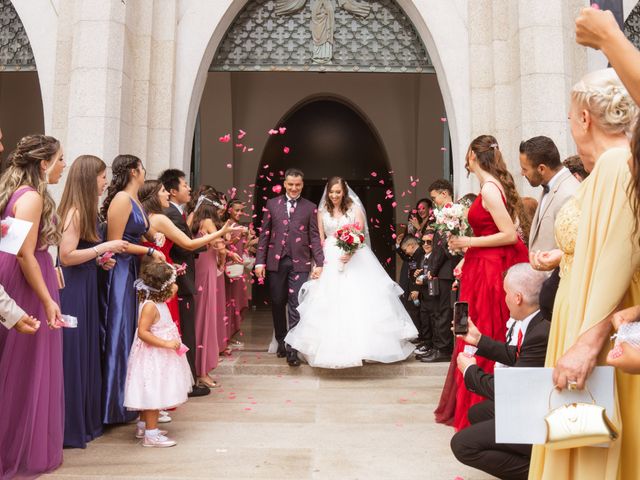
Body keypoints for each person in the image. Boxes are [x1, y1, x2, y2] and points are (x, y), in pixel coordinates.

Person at [528, 68, 639, 480]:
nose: (571, 128)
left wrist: (586, 343)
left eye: (570, 118)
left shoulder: (615, 164)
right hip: (581, 319)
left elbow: (620, 256)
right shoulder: (604, 172)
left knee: (593, 440)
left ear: (585, 119)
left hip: (599, 330)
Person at [434, 135, 529, 431]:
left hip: (489, 272)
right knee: (473, 326)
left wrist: (467, 241)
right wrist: (467, 257)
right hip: (481, 266)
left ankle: (479, 404)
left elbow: (509, 234)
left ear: (473, 155)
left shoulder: (488, 189)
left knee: (481, 327)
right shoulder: (489, 186)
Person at [285, 176, 417, 368]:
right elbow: (319, 240)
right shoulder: (321, 212)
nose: (334, 195)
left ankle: (365, 347)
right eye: (331, 192)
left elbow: (360, 235)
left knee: (358, 298)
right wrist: (317, 264)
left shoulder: (354, 209)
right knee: (328, 300)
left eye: (338, 192)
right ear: (327, 193)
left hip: (355, 258)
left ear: (344, 192)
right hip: (330, 258)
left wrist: (351, 251)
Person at [0, 134, 66, 478]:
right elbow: (24, 253)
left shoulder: (19, 194)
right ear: (44, 164)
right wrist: (45, 299)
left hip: (23, 274)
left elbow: (12, 246)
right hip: (26, 283)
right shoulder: (31, 198)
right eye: (60, 159)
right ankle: (16, 448)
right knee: (25, 367)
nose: (63, 166)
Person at [450, 263, 550, 480]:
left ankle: (541, 473)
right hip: (537, 401)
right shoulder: (540, 320)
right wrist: (478, 340)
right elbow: (519, 355)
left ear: (517, 297)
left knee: (462, 445)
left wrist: (470, 371)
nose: (503, 299)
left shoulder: (540, 331)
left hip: (543, 416)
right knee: (478, 413)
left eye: (506, 293)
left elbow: (510, 390)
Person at [57, 155, 128, 448]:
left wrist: (100, 261)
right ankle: (71, 425)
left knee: (86, 350)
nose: (104, 182)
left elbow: (81, 256)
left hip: (86, 284)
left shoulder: (83, 212)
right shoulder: (74, 212)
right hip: (73, 290)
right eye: (101, 177)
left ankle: (85, 420)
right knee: (74, 354)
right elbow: (66, 256)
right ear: (89, 179)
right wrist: (104, 247)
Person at [100, 154, 165, 424]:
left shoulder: (134, 199)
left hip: (133, 269)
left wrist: (153, 235)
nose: (144, 170)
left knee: (132, 334)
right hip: (120, 271)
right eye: (142, 167)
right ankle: (113, 404)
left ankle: (133, 399)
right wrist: (149, 248)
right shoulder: (121, 200)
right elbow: (116, 242)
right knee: (120, 332)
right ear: (134, 171)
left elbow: (135, 232)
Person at [138, 180, 239, 332]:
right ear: (153, 197)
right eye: (163, 191)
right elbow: (189, 244)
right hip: (161, 277)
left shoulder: (147, 217)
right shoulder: (159, 218)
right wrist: (220, 233)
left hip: (153, 272)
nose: (167, 194)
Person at [255, 168, 324, 367]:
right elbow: (264, 235)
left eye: (298, 185)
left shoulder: (310, 207)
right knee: (277, 301)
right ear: (284, 184)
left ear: (302, 185)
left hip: (299, 262)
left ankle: (292, 348)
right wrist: (260, 261)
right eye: (291, 184)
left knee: (296, 303)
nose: (294, 188)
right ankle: (281, 339)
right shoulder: (271, 204)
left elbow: (314, 237)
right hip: (276, 261)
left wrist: (319, 262)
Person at [124, 261, 193, 447]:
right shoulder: (150, 306)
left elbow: (175, 288)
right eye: (171, 283)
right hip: (152, 356)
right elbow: (143, 332)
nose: (175, 287)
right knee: (152, 394)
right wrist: (166, 343)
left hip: (160, 356)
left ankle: (142, 425)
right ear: (162, 287)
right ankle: (151, 436)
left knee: (150, 391)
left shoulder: (157, 301)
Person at [158, 169, 210, 398]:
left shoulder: (174, 212)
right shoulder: (171, 213)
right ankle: (188, 381)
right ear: (172, 191)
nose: (189, 188)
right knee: (185, 331)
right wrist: (211, 240)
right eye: (185, 184)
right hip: (179, 278)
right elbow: (183, 246)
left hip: (179, 277)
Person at [190, 192, 242, 387]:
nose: (222, 209)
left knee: (197, 317)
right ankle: (202, 370)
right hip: (208, 271)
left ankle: (195, 367)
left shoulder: (192, 219)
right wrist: (227, 244)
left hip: (197, 271)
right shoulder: (209, 222)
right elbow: (219, 245)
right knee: (205, 317)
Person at [422, 179, 461, 362]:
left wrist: (434, 268)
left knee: (444, 311)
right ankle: (438, 345)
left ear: (444, 193)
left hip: (446, 270)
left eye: (434, 197)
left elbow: (445, 246)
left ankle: (443, 349)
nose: (434, 201)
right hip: (440, 269)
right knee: (437, 311)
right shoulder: (443, 213)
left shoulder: (453, 214)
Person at [519, 136, 580, 252]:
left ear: (541, 169)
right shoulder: (550, 186)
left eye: (525, 169)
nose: (522, 173)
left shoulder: (569, 194)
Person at [224, 199, 251, 344]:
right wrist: (240, 234)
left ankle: (232, 333)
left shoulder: (239, 226)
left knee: (240, 301)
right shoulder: (227, 226)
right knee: (230, 300)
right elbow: (225, 245)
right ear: (229, 210)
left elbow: (242, 247)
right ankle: (227, 336)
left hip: (238, 267)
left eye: (242, 210)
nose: (240, 213)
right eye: (237, 210)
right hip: (229, 269)